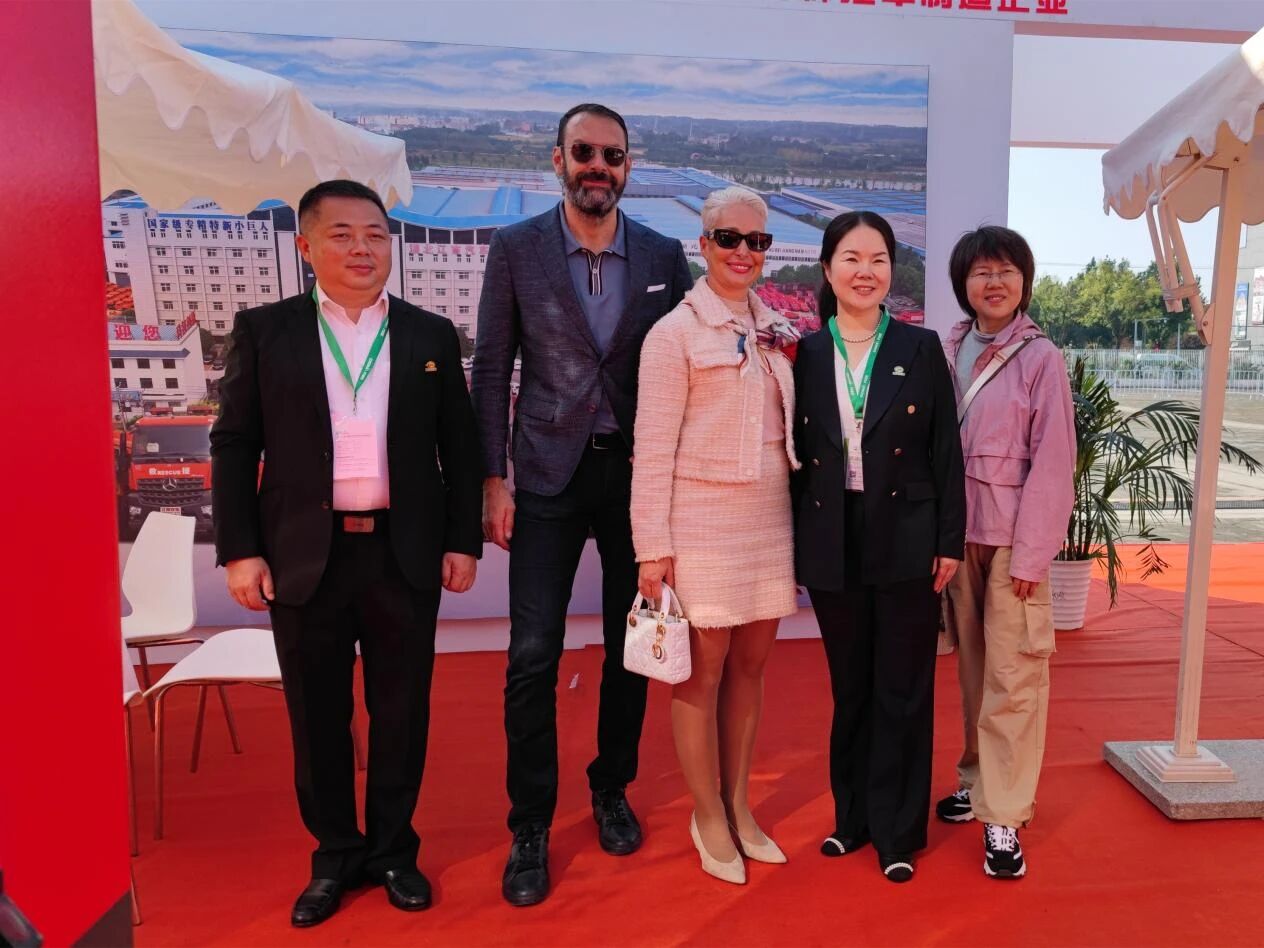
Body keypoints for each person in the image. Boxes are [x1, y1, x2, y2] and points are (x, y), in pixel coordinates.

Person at [211, 179, 483, 927]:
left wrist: (462, 541)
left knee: (402, 712)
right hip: (306, 555)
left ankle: (394, 851)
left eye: (375, 235)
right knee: (317, 716)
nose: (362, 248)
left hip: (403, 552)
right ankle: (334, 855)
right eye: (342, 234)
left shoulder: (430, 335)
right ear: (306, 246)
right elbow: (234, 444)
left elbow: (460, 449)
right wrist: (240, 551)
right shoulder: (267, 331)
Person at [471, 103, 693, 907]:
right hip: (545, 477)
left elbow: (690, 365)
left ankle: (611, 786)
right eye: (585, 152)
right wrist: (491, 478)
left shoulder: (665, 255)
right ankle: (530, 821)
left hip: (637, 481)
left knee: (632, 647)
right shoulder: (516, 248)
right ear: (558, 160)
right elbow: (491, 366)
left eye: (613, 155)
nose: (599, 166)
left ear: (629, 166)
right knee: (532, 654)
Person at [631, 187, 799, 885]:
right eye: (729, 238)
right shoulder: (672, 334)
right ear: (703, 245)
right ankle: (706, 816)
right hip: (699, 523)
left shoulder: (776, 328)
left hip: (769, 517)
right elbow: (651, 450)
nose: (743, 252)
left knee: (752, 669)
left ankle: (738, 805)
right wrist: (652, 547)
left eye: (757, 242)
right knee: (700, 675)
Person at [792, 211, 965, 884]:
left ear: (892, 271)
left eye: (879, 260)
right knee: (851, 687)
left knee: (904, 688)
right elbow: (798, 455)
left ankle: (898, 832)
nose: (866, 272)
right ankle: (853, 819)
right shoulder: (809, 352)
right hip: (834, 534)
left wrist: (948, 539)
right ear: (828, 268)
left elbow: (946, 449)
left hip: (908, 535)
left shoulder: (920, 347)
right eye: (852, 258)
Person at [936, 226, 1075, 880]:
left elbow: (1054, 460)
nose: (994, 283)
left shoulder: (1041, 358)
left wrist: (1032, 555)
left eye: (1006, 271)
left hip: (1012, 543)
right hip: (957, 539)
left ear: (1025, 281)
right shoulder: (947, 349)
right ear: (962, 283)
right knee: (973, 674)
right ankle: (977, 780)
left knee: (1013, 680)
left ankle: (1005, 815)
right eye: (981, 272)